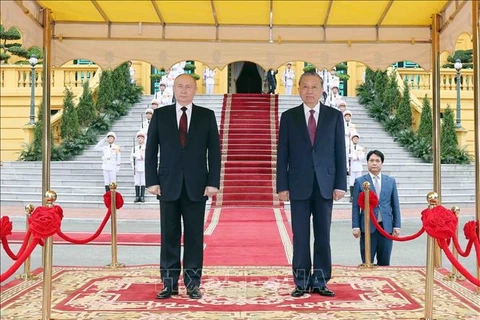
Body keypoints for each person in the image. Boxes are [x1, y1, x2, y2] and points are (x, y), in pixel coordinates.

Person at [145, 74, 221, 300]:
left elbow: (214, 152)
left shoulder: (207, 116)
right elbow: (150, 151)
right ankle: (169, 283)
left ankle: (192, 283)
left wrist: (212, 182)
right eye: (180, 86)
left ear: (195, 90)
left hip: (197, 185)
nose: (184, 90)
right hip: (167, 184)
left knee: (194, 237)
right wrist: (151, 181)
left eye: (188, 87)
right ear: (173, 88)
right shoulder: (160, 115)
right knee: (169, 235)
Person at [276, 71, 347, 298]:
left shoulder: (334, 117)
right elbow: (282, 154)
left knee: (323, 235)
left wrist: (340, 185)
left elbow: (339, 152)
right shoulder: (289, 117)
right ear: (298, 90)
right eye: (305, 87)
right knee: (300, 235)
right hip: (298, 184)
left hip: (325, 184)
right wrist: (282, 186)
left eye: (314, 87)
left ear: (321, 89)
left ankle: (321, 280)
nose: (309, 91)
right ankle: (301, 280)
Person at [351, 150, 401, 266]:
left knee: (384, 262)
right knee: (367, 261)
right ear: (367, 163)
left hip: (386, 227)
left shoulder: (390, 181)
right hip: (368, 228)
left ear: (382, 163)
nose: (374, 163)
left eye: (377, 161)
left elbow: (395, 205)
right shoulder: (360, 181)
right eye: (371, 160)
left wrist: (397, 225)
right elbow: (355, 207)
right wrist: (355, 226)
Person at [348, 133, 365, 202]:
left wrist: (356, 157)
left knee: (359, 181)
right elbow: (349, 156)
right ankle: (352, 196)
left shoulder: (361, 148)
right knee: (352, 182)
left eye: (357, 138)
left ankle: (359, 195)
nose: (355, 140)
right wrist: (354, 157)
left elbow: (362, 156)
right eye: (354, 138)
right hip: (352, 166)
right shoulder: (349, 148)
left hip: (358, 166)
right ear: (352, 139)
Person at [131, 131, 146, 203]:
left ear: (143, 139)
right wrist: (133, 166)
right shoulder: (134, 148)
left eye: (141, 138)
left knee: (143, 182)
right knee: (137, 182)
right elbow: (131, 158)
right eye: (139, 138)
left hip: (143, 166)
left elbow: (147, 157)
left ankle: (142, 196)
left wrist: (139, 156)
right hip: (136, 166)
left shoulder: (146, 148)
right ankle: (137, 196)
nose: (140, 139)